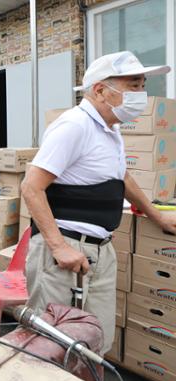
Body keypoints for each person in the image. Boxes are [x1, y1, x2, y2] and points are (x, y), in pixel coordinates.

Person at [21, 51, 175, 354]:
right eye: (133, 85)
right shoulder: (74, 126)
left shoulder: (110, 129)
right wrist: (58, 246)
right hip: (65, 254)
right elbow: (31, 187)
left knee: (96, 339)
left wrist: (158, 216)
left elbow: (123, 178)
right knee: (53, 346)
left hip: (100, 250)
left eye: (142, 85)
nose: (141, 94)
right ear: (101, 90)